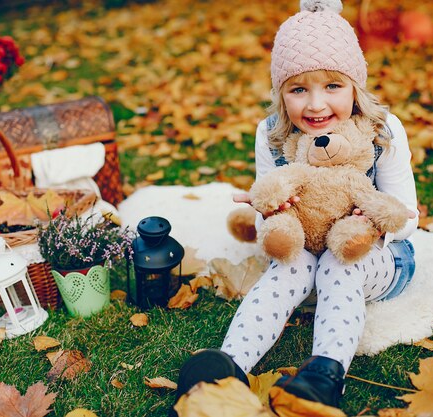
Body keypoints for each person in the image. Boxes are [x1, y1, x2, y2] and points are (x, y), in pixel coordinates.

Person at [172, 0, 418, 412]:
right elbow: (270, 206)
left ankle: (325, 375)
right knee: (289, 264)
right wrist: (268, 211)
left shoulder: (382, 131)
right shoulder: (269, 134)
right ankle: (228, 368)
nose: (316, 105)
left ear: (355, 87)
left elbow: (405, 215)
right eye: (299, 89)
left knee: (341, 264)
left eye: (333, 86)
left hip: (378, 257)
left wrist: (376, 223)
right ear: (281, 93)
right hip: (306, 252)